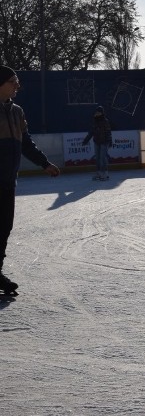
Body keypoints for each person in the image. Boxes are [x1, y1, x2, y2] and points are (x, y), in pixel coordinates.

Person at [0, 66, 60, 295]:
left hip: (7, 180)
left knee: (4, 228)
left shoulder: (17, 111)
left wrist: (44, 163)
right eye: (13, 81)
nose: (18, 86)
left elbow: (25, 143)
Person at [82, 105, 113, 181]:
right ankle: (99, 173)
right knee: (98, 159)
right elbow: (91, 132)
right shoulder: (95, 121)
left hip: (104, 142)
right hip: (97, 142)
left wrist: (110, 141)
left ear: (102, 113)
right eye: (97, 112)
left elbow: (108, 132)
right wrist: (86, 140)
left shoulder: (105, 121)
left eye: (99, 112)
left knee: (103, 158)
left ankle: (105, 174)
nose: (97, 113)